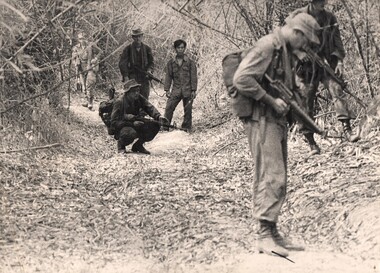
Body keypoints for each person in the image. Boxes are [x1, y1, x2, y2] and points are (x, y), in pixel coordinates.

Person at [233, 13, 321, 257]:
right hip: (261, 119)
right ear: (297, 33)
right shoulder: (268, 46)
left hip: (274, 120)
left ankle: (271, 232)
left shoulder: (283, 50)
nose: (306, 46)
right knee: (271, 175)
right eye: (306, 40)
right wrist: (270, 100)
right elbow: (242, 79)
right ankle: (263, 235)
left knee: (278, 176)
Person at [288, 0, 360, 155]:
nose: (323, 4)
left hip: (325, 64)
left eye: (324, 1)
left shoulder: (330, 18)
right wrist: (300, 53)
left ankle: (348, 130)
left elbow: (337, 41)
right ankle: (311, 142)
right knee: (305, 103)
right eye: (319, 2)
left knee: (336, 89)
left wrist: (339, 61)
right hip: (305, 69)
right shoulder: (297, 16)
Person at [110, 79, 168, 155]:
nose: (137, 93)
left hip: (135, 122)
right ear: (128, 92)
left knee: (155, 125)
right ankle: (121, 145)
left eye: (138, 91)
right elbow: (114, 122)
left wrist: (158, 116)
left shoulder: (138, 98)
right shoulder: (119, 102)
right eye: (134, 91)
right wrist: (132, 123)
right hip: (122, 127)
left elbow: (149, 107)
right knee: (130, 133)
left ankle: (138, 146)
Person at [163, 39, 198, 132]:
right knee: (169, 107)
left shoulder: (190, 62)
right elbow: (168, 76)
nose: (180, 50)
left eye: (182, 48)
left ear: (185, 49)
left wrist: (193, 90)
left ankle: (186, 128)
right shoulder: (171, 63)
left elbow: (194, 77)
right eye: (178, 48)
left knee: (188, 110)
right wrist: (167, 90)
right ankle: (165, 126)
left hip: (188, 90)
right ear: (175, 49)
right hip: (176, 90)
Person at [119, 28, 154, 100]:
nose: (138, 39)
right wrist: (126, 77)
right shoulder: (127, 49)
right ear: (132, 37)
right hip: (132, 77)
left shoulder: (147, 49)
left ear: (142, 36)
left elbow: (151, 63)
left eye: (139, 36)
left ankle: (143, 111)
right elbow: (122, 63)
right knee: (132, 98)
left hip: (144, 77)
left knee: (144, 98)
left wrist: (149, 70)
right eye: (135, 37)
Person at [73, 32, 94, 109]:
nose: (82, 40)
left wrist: (89, 67)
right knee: (83, 86)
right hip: (80, 68)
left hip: (88, 67)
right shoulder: (76, 48)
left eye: (83, 38)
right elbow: (73, 58)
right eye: (80, 39)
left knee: (89, 85)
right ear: (78, 39)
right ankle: (86, 101)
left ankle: (90, 103)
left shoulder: (88, 47)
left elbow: (89, 58)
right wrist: (76, 63)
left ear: (85, 38)